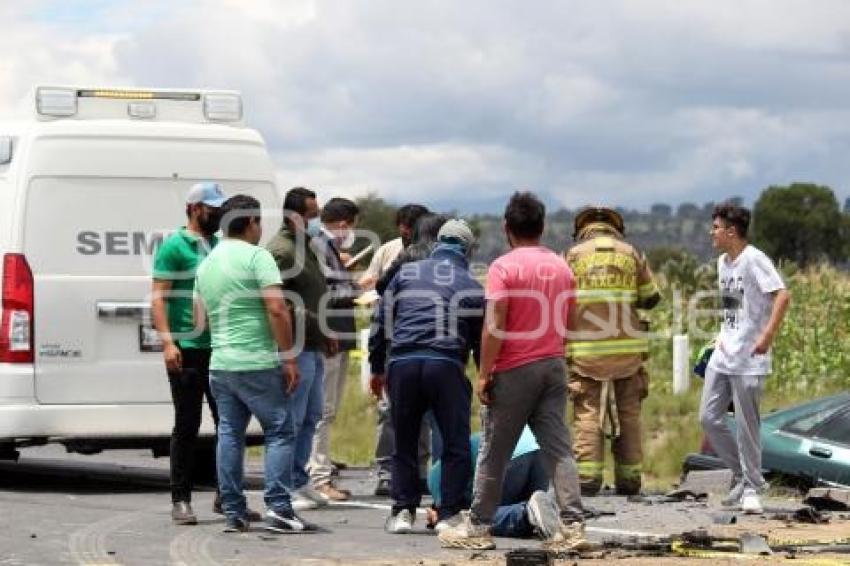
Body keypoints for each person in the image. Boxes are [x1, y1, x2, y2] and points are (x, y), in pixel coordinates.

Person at [439, 191, 588, 552]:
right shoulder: (561, 266)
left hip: (514, 369)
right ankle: (573, 526)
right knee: (559, 449)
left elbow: (494, 325)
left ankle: (478, 526)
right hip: (552, 365)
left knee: (495, 451)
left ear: (507, 228)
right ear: (542, 227)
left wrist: (486, 372)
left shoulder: (503, 268)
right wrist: (556, 352)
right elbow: (571, 319)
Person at [194, 194, 314, 533]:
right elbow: (277, 308)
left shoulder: (207, 262)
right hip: (256, 360)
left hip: (221, 363)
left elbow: (199, 317)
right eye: (259, 221)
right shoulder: (257, 257)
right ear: (250, 223)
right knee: (280, 429)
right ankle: (279, 507)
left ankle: (234, 509)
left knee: (230, 433)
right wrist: (289, 356)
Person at [370, 219, 484, 533]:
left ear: (437, 245)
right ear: (467, 249)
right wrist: (486, 376)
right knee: (454, 443)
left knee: (404, 441)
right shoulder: (471, 284)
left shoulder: (406, 273)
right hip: (445, 365)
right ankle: (448, 513)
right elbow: (479, 342)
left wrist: (377, 367)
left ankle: (402, 512)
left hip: (403, 363)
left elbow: (381, 322)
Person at [151, 181, 253, 524]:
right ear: (195, 208)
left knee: (229, 423)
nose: (219, 213)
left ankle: (228, 497)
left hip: (220, 345)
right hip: (187, 347)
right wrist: (167, 342)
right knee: (187, 424)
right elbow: (158, 298)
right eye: (213, 208)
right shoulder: (174, 247)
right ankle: (181, 498)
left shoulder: (218, 244)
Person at [699, 202, 790, 515]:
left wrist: (766, 337)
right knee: (708, 417)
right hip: (724, 353)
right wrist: (720, 336)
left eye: (716, 228)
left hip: (750, 357)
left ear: (731, 231)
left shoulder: (754, 259)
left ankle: (752, 487)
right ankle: (741, 475)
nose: (712, 233)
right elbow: (733, 308)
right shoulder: (723, 262)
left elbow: (782, 295)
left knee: (747, 425)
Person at [564, 206, 660, 496]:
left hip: (586, 354)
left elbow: (559, 300)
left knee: (588, 414)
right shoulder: (631, 254)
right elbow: (651, 298)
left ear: (584, 228)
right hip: (627, 355)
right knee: (628, 414)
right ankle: (629, 480)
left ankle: (587, 480)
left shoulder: (573, 256)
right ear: (615, 227)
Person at [266, 187, 335, 511]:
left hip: (313, 344)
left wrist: (325, 331)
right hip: (296, 347)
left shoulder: (305, 246)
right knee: (291, 420)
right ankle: (284, 486)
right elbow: (278, 304)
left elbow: (312, 294)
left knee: (311, 415)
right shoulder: (281, 250)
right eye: (312, 215)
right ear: (295, 216)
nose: (317, 221)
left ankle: (299, 477)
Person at [360, 203, 431, 496]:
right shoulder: (391, 252)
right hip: (393, 342)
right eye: (403, 226)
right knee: (389, 411)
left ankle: (421, 471)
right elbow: (377, 286)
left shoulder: (432, 255)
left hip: (422, 342)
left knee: (425, 412)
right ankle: (387, 471)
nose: (406, 232)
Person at [308, 197, 361, 500]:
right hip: (330, 335)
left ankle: (319, 472)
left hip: (337, 337)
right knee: (323, 410)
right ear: (343, 223)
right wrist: (356, 291)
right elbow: (327, 290)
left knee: (328, 409)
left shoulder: (327, 247)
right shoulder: (320, 244)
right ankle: (318, 478)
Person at [427, 427, 561, 540]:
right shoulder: (452, 462)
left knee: (476, 518)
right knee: (539, 509)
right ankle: (547, 519)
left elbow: (451, 514)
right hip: (539, 449)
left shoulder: (435, 478)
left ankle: (525, 513)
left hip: (510, 456)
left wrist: (441, 518)